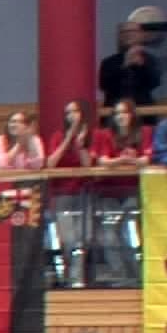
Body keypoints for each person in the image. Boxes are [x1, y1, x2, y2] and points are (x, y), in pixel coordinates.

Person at [89, 98, 151, 286]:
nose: (120, 117)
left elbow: (147, 160)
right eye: (117, 113)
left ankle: (138, 275)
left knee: (130, 232)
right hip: (109, 191)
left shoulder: (144, 132)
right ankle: (120, 275)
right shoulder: (104, 134)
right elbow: (102, 161)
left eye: (124, 112)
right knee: (109, 234)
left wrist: (119, 161)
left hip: (134, 190)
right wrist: (125, 160)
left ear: (132, 115)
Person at [45, 100, 94, 287]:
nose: (71, 115)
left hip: (83, 193)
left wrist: (80, 144)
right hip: (62, 194)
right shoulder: (58, 136)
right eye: (67, 113)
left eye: (74, 111)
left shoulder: (91, 136)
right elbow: (50, 163)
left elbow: (88, 165)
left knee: (83, 238)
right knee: (67, 238)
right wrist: (68, 138)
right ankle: (68, 276)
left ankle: (77, 278)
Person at [98, 22, 161, 114]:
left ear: (141, 35)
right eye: (124, 32)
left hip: (144, 111)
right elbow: (103, 85)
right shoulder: (108, 62)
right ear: (119, 37)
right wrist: (124, 65)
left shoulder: (149, 60)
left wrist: (142, 66)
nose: (129, 34)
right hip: (115, 111)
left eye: (133, 31)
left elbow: (155, 83)